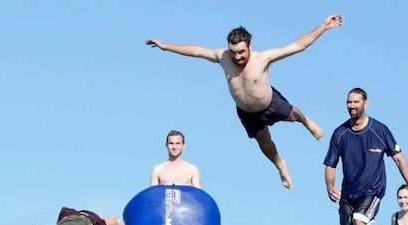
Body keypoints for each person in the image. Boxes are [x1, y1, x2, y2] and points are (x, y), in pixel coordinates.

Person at [146, 15, 343, 189]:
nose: (237, 57)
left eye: (241, 52)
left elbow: (298, 45)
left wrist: (323, 27)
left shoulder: (263, 58)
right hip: (246, 112)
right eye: (233, 52)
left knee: (295, 115)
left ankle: (307, 122)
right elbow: (196, 50)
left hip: (270, 103)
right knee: (265, 143)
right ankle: (280, 165)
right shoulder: (223, 57)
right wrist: (166, 46)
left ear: (250, 46)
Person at [324, 88, 408, 225]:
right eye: (349, 102)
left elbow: (400, 160)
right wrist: (330, 186)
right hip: (348, 191)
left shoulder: (379, 130)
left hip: (372, 188)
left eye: (356, 102)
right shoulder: (340, 133)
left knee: (359, 219)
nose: (352, 106)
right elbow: (330, 165)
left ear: (365, 104)